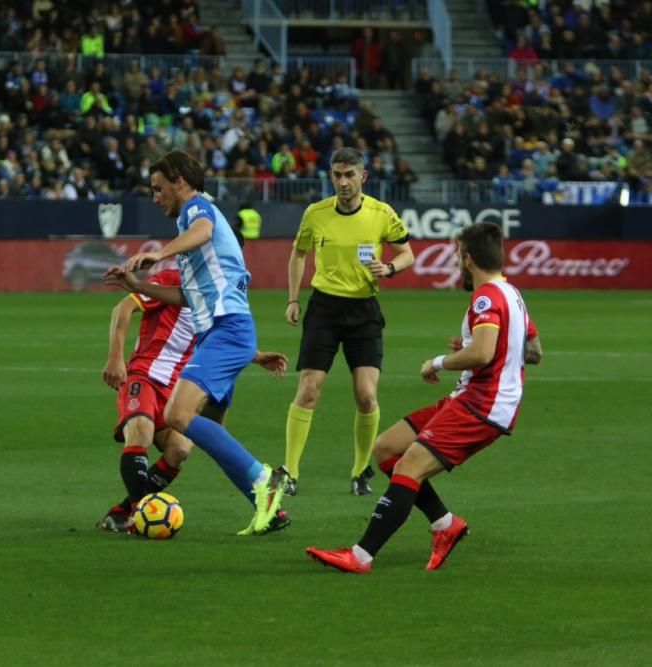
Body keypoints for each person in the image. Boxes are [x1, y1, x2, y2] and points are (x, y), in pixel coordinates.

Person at [306, 222, 543, 574]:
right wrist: (486, 349)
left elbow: (481, 354)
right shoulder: (513, 295)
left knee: (408, 467)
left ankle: (361, 555)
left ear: (468, 260)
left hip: (482, 406)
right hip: (472, 398)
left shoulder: (485, 297)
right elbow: (534, 351)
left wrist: (438, 362)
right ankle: (446, 525)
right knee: (387, 448)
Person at [104, 150, 290, 536]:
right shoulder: (197, 238)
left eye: (159, 188)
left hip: (226, 331)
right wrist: (140, 286)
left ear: (180, 181)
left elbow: (202, 231)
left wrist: (159, 253)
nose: (156, 198)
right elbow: (189, 298)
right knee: (204, 430)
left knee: (177, 417)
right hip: (223, 335)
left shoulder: (195, 210)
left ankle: (266, 481)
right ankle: (268, 506)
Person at [99, 264, 288, 532]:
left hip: (178, 388)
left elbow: (218, 334)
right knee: (140, 431)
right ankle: (141, 516)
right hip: (145, 375)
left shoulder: (215, 294)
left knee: (180, 449)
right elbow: (123, 308)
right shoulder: (172, 278)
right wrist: (116, 357)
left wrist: (255, 356)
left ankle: (124, 512)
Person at [282, 147, 414, 497]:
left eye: (349, 175)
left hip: (363, 311)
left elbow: (407, 253)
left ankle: (359, 472)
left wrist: (388, 269)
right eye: (337, 175)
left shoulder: (381, 213)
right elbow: (298, 254)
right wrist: (293, 298)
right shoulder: (315, 213)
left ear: (363, 177)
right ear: (331, 176)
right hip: (323, 309)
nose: (343, 182)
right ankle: (290, 471)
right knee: (309, 389)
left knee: (367, 396)